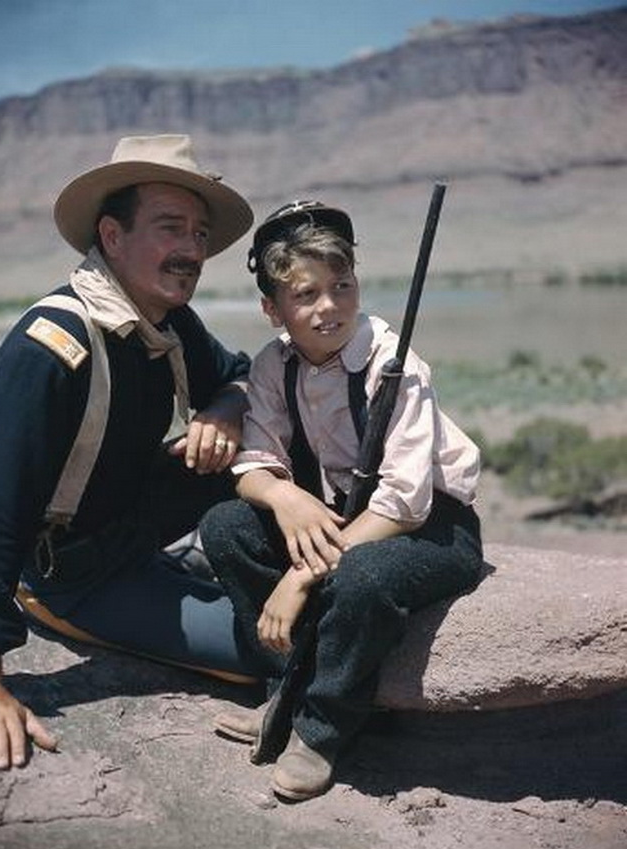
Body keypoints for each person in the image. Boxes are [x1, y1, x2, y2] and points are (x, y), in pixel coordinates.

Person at [0, 134, 264, 771]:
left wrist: (222, 412)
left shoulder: (166, 320)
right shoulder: (51, 347)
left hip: (135, 526)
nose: (192, 250)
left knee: (271, 438)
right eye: (170, 227)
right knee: (280, 648)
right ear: (112, 236)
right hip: (72, 572)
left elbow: (239, 376)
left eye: (199, 234)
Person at [199, 200, 484, 801]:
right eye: (305, 295)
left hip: (430, 526)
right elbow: (252, 465)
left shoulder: (395, 366)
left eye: (341, 286)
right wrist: (283, 496)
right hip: (345, 514)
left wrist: (302, 574)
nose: (328, 306)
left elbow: (405, 502)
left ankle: (322, 729)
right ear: (273, 309)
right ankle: (286, 689)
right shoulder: (275, 365)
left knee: (361, 576)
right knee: (225, 527)